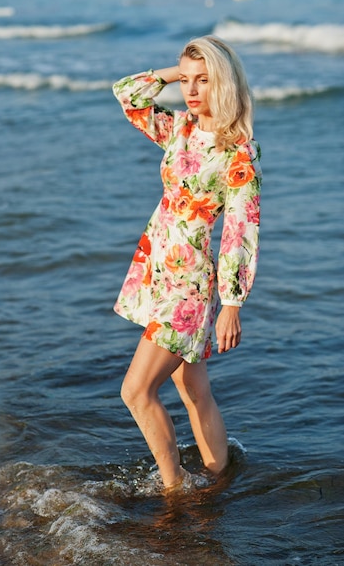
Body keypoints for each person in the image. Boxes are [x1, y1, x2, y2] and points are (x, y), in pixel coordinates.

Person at [112, 35, 262, 493]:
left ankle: (175, 488)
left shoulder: (239, 153)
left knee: (136, 392)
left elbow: (242, 229)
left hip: (190, 286)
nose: (192, 91)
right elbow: (127, 94)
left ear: (225, 83)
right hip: (159, 271)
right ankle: (217, 481)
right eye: (187, 81)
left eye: (205, 80)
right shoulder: (179, 128)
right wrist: (175, 73)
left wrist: (232, 303)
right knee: (193, 390)